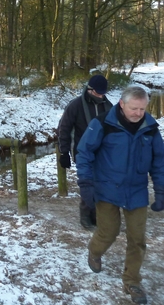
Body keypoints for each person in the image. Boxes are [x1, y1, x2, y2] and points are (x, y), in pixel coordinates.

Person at [77, 86, 164, 305]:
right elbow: (84, 153)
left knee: (138, 238)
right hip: (106, 189)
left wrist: (161, 190)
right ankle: (94, 251)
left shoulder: (150, 128)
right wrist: (86, 184)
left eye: (142, 109)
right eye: (134, 108)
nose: (138, 113)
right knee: (109, 232)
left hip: (136, 191)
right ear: (122, 104)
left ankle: (132, 281)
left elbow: (159, 161)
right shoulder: (103, 124)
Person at [58, 74, 113, 228]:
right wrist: (64, 152)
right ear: (90, 89)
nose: (100, 96)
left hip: (102, 154)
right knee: (88, 184)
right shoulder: (75, 106)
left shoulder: (108, 106)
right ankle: (85, 218)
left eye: (103, 93)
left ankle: (97, 216)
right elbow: (64, 129)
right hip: (82, 153)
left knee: (101, 184)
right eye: (97, 93)